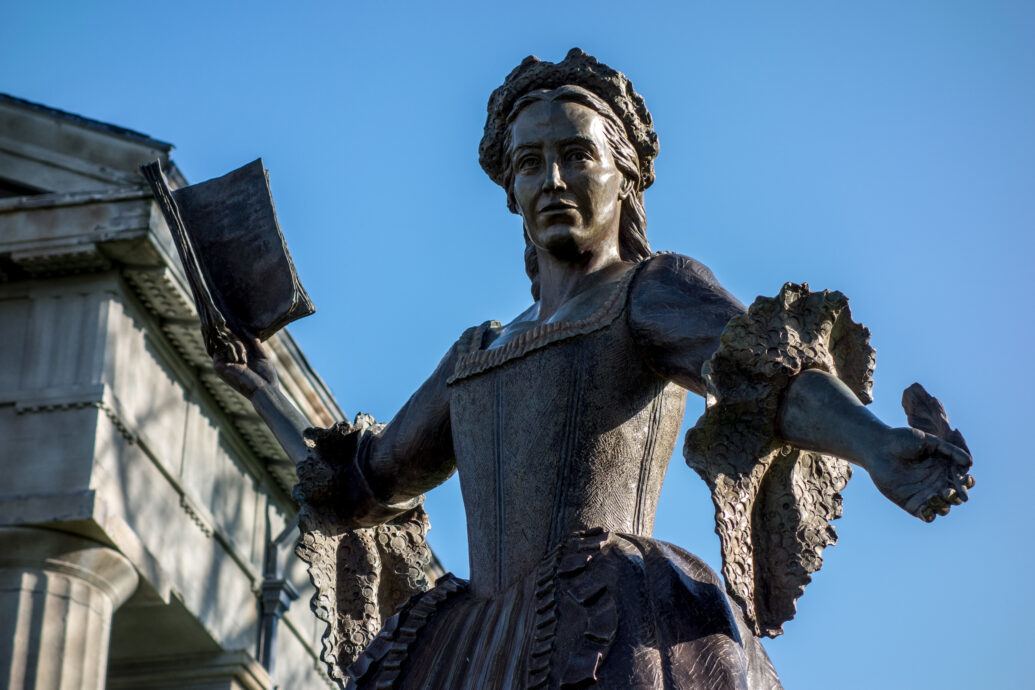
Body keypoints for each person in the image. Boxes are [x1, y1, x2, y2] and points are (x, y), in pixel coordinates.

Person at [213, 49, 973, 690]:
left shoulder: (651, 291)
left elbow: (766, 375)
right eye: (529, 163)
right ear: (508, 189)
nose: (551, 179)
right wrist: (256, 383)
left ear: (625, 175)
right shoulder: (475, 351)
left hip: (614, 620)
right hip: (472, 649)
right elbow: (365, 482)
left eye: (576, 155)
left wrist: (874, 443)